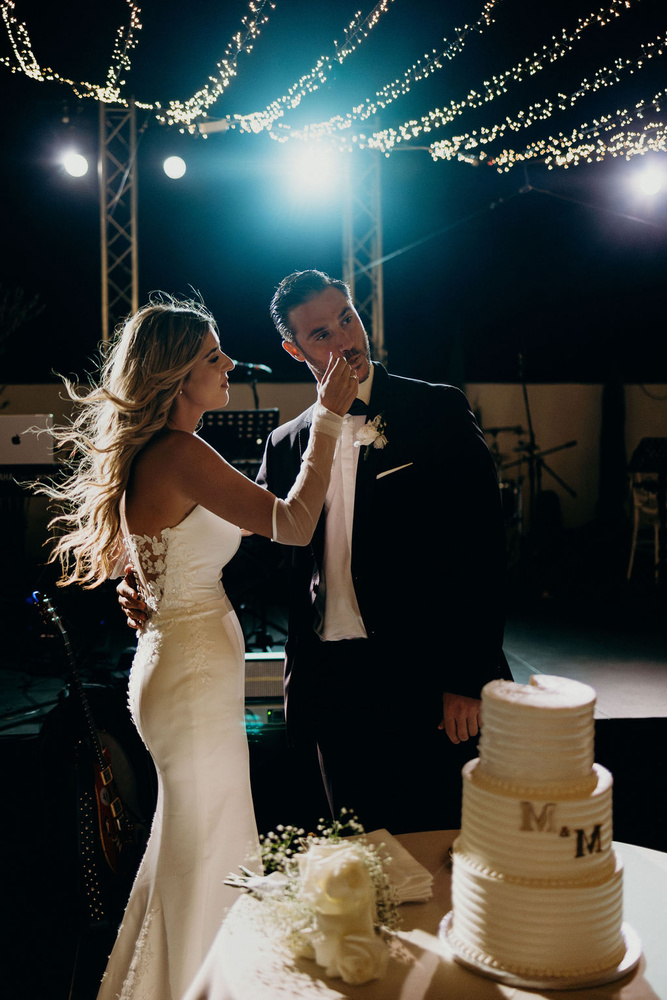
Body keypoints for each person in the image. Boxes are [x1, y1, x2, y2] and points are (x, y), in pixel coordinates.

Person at [40, 294, 357, 1000]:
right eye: (213, 356)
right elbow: (295, 524)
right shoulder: (179, 453)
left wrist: (142, 597)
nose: (228, 364)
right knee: (206, 841)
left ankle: (195, 980)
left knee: (197, 840)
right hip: (187, 675)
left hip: (179, 663)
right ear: (179, 375)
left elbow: (164, 554)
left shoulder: (167, 455)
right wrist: (329, 417)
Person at [121, 272, 511, 835]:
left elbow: (482, 550)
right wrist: (159, 592)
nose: (345, 340)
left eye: (347, 319)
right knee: (356, 861)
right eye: (322, 334)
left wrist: (468, 676)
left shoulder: (437, 412)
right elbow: (255, 559)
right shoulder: (286, 445)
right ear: (294, 349)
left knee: (438, 851)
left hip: (426, 677)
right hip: (330, 684)